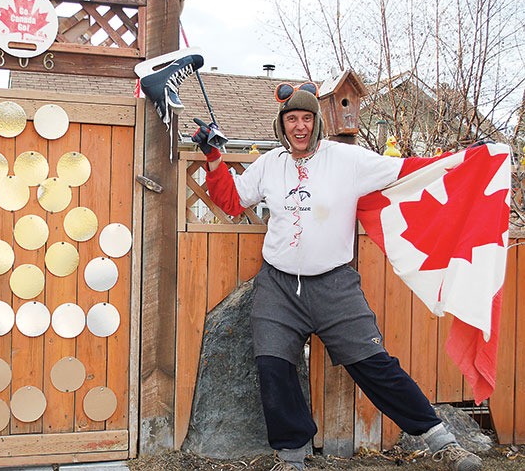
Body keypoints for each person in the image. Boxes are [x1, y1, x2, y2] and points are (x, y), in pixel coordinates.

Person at [191, 83, 483, 471]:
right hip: (278, 284)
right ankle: (291, 456)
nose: (299, 126)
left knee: (373, 363)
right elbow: (231, 200)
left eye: (306, 118)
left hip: (334, 284)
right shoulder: (268, 165)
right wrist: (212, 158)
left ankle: (440, 440)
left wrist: (464, 161)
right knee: (272, 367)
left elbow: (406, 170)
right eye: (291, 118)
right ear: (281, 124)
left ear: (317, 123)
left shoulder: (347, 160)